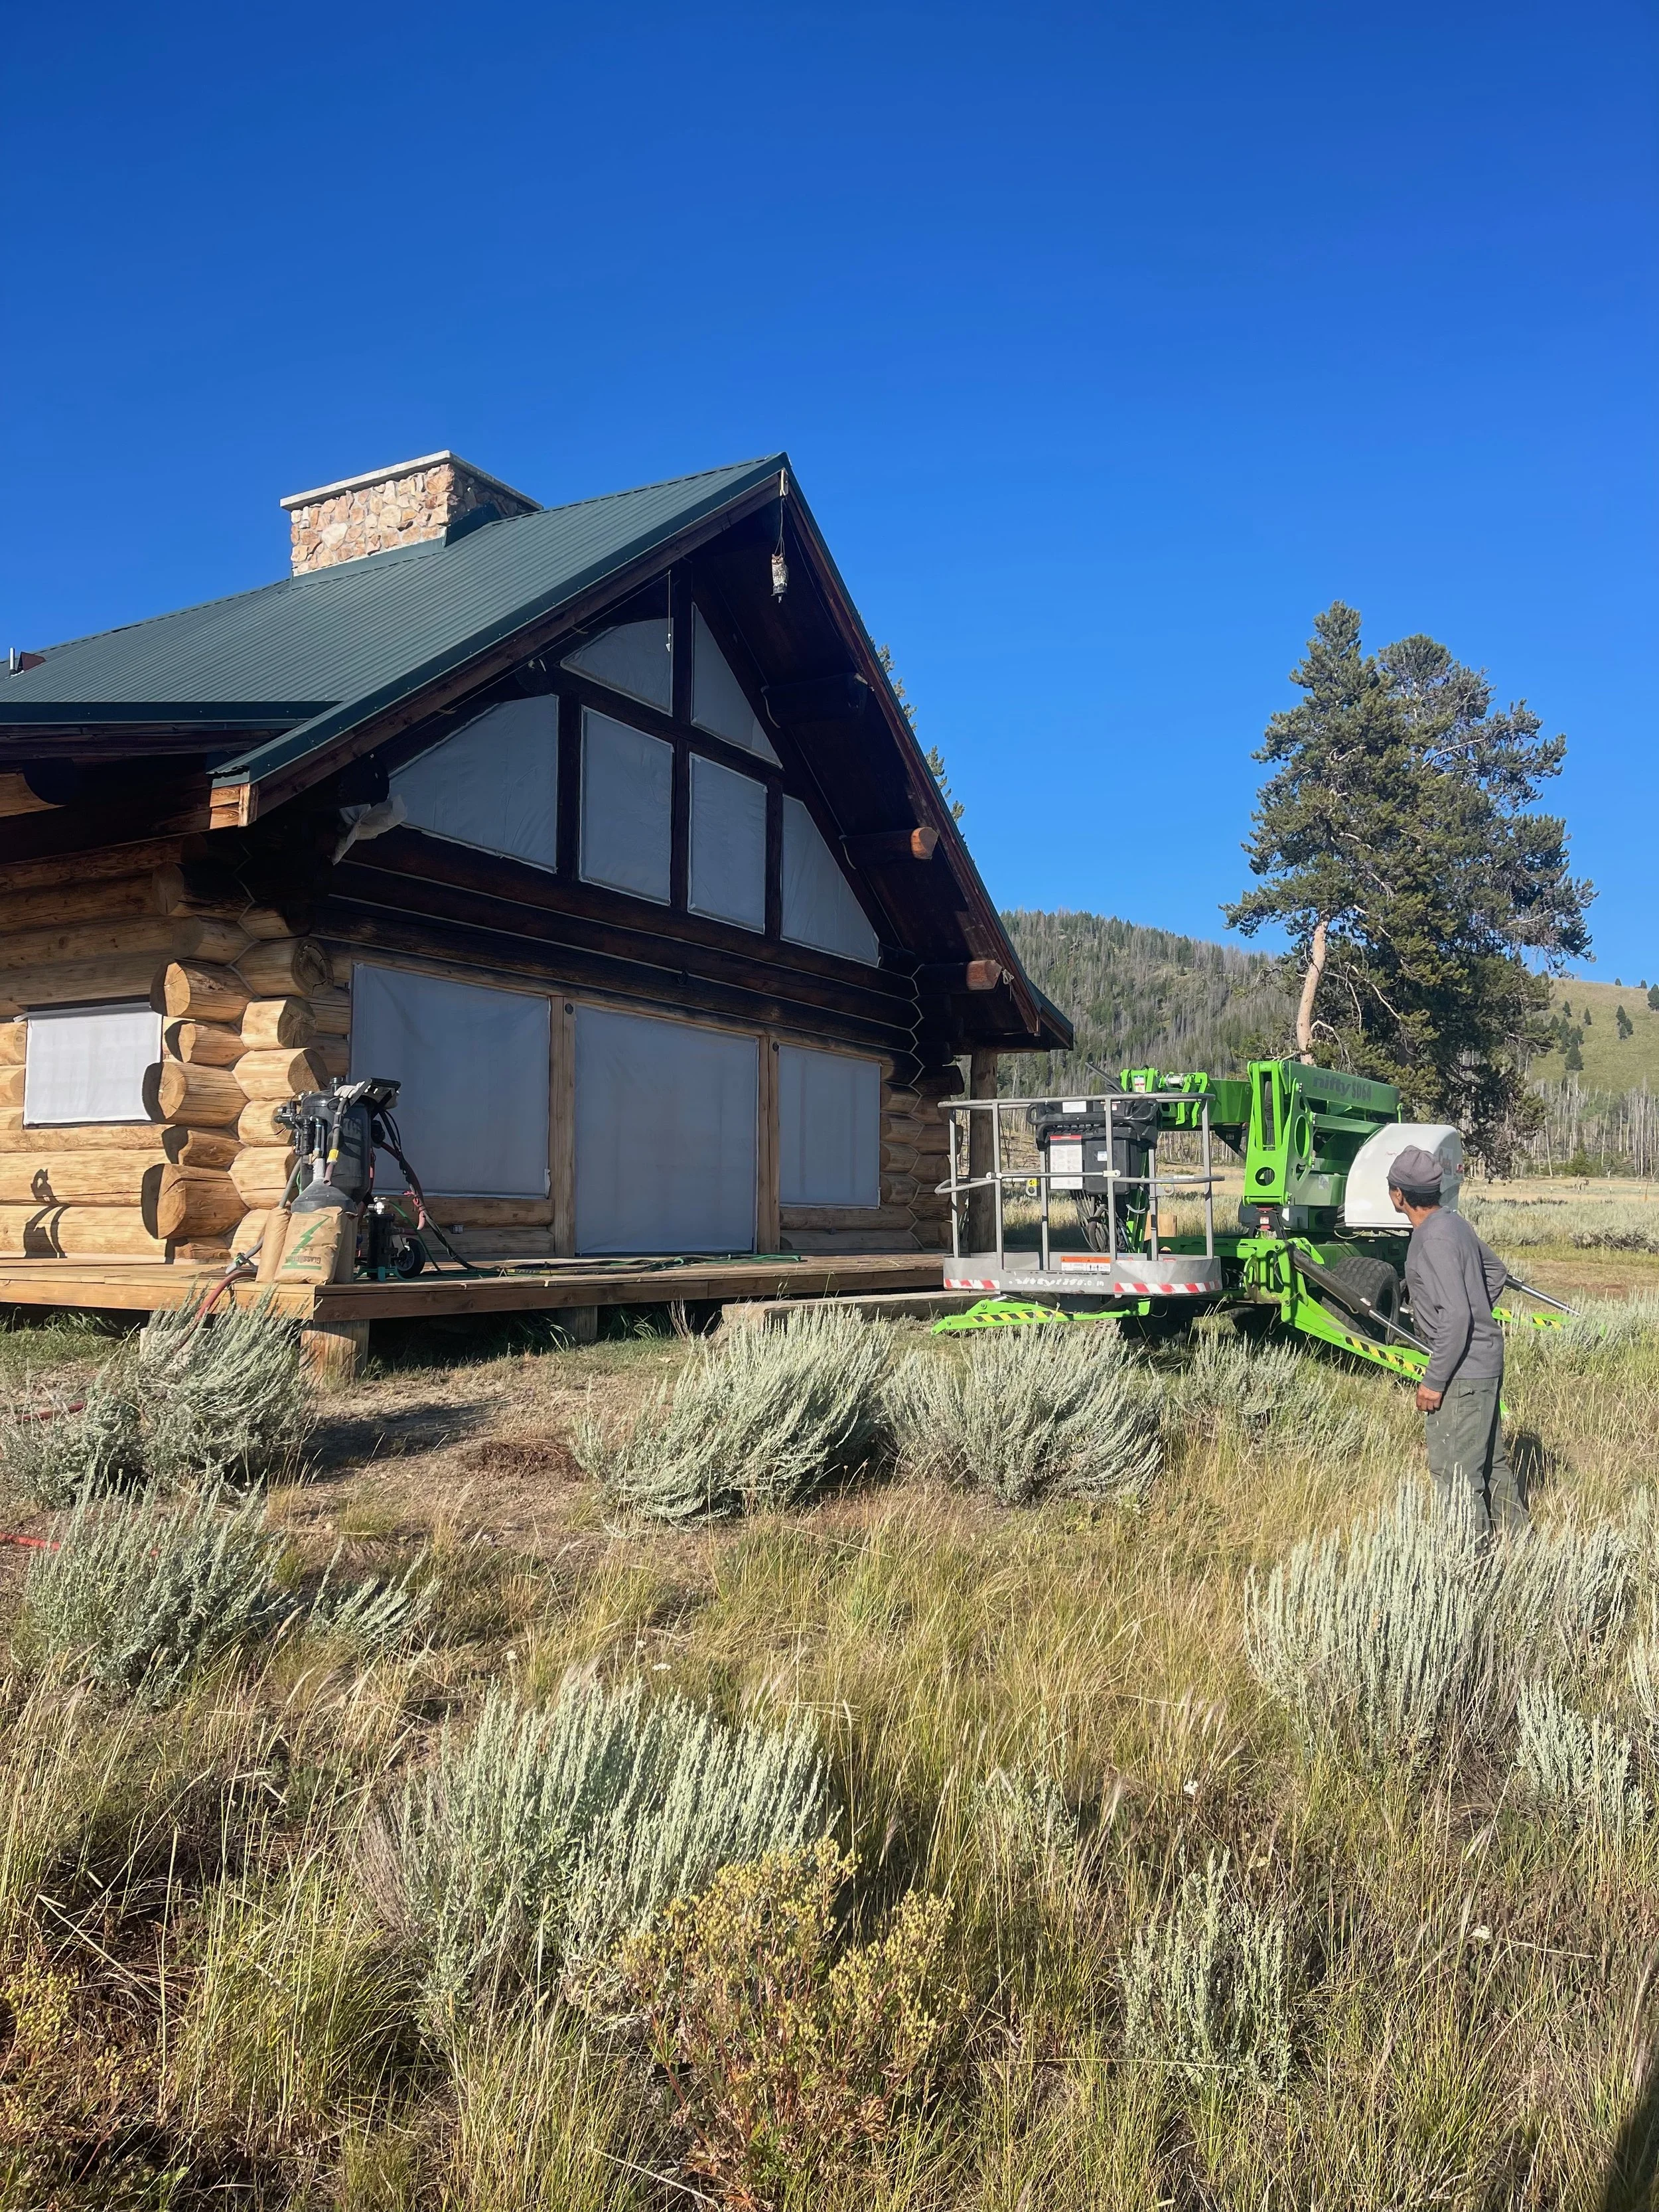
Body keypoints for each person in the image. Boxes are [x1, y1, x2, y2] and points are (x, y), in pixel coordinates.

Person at [1388, 1143, 1527, 1534]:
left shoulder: (1432, 1239)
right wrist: (1478, 1309)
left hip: (1461, 1373)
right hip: (1482, 1363)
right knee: (1489, 1463)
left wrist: (1434, 1380)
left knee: (1455, 1474)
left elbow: (1458, 1316)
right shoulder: (1455, 1223)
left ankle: (1470, 1566)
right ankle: (1519, 1549)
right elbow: (1495, 1274)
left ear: (1399, 1196)